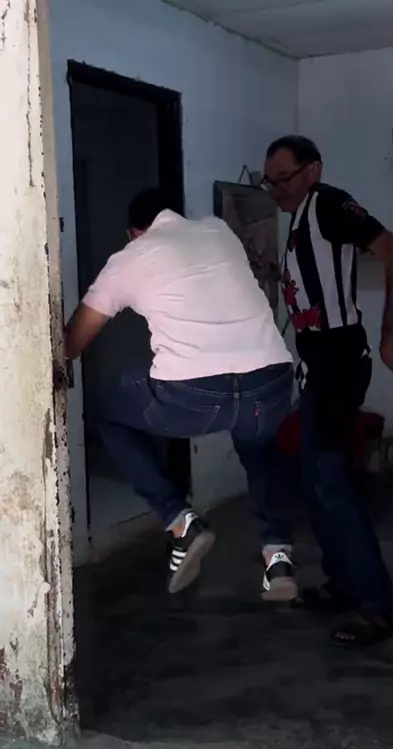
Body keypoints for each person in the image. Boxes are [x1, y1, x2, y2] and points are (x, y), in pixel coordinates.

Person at [65, 188, 297, 602]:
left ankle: (179, 520)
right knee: (259, 447)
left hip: (193, 396)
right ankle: (277, 557)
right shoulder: (218, 230)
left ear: (133, 233)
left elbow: (73, 342)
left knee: (107, 411)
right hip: (271, 384)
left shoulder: (131, 257)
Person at [262, 135, 393, 647]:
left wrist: (389, 330)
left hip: (338, 366)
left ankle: (377, 606)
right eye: (270, 182)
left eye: (284, 179)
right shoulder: (300, 218)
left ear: (312, 170)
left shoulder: (328, 204)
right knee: (316, 484)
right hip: (318, 368)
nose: (276, 190)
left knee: (332, 486)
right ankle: (344, 584)